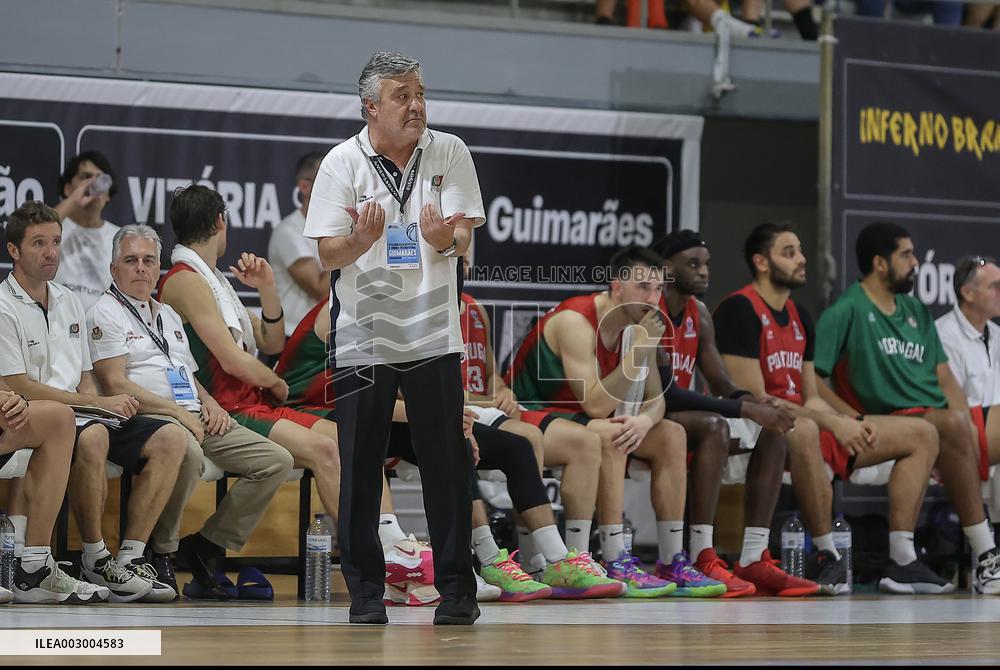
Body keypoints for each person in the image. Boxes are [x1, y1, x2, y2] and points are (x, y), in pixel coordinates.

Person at [305, 51, 484, 625]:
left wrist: (442, 239)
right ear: (371, 107)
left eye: (421, 94)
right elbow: (327, 254)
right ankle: (365, 593)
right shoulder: (341, 162)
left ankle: (457, 593)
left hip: (434, 333)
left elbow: (464, 241)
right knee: (358, 467)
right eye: (403, 96)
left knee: (447, 465)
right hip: (363, 336)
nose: (417, 106)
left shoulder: (449, 150)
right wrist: (359, 241)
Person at [716, 222, 946, 595]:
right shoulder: (739, 309)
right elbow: (757, 401)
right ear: (761, 262)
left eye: (800, 250)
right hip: (751, 426)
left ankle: (902, 561)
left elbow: (811, 395)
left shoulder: (800, 315)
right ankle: (827, 556)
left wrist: (848, 421)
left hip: (802, 421)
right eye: (789, 252)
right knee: (805, 429)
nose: (802, 259)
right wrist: (832, 423)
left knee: (924, 433)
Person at [88, 224, 296, 599]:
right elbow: (115, 384)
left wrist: (209, 402)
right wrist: (180, 413)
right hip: (147, 417)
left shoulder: (166, 314)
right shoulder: (104, 312)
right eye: (130, 260)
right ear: (113, 269)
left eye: (148, 261)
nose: (140, 268)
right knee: (188, 448)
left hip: (194, 412)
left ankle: (205, 544)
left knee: (276, 460)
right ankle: (163, 551)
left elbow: (185, 372)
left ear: (157, 269)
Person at [511, 245, 726, 598]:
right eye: (643, 287)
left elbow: (657, 400)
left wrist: (644, 421)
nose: (653, 298)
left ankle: (672, 558)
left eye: (658, 289)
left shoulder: (636, 324)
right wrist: (640, 350)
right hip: (532, 414)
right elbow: (595, 405)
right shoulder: (575, 321)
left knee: (671, 433)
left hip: (580, 420)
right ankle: (613, 557)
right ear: (616, 286)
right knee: (608, 432)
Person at [0, 201, 187, 603]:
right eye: (38, 243)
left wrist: (97, 404)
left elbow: (86, 377)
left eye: (55, 242)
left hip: (77, 410)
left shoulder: (69, 300)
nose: (51, 252)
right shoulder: (3, 304)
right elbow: (17, 384)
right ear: (14, 250)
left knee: (169, 437)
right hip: (34, 413)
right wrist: (99, 407)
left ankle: (128, 557)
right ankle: (87, 556)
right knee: (78, 428)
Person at [814, 222, 1000, 594]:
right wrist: (847, 419)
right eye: (907, 255)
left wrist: (963, 425)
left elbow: (945, 380)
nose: (916, 262)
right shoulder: (846, 310)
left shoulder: (915, 309)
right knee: (935, 428)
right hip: (879, 421)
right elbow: (814, 381)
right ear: (880, 263)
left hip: (929, 422)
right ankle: (987, 554)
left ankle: (904, 560)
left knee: (945, 425)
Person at [158, 185, 342, 538]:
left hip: (249, 401)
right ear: (220, 221)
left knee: (347, 441)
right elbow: (232, 361)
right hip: (225, 408)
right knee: (324, 449)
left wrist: (267, 287)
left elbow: (271, 341)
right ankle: (360, 558)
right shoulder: (186, 281)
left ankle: (386, 540)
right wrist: (274, 383)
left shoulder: (216, 283)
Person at [654, 229, 810, 597]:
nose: (704, 272)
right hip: (644, 413)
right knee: (715, 427)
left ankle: (754, 555)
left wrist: (758, 402)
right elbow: (669, 395)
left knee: (775, 429)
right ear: (666, 268)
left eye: (707, 264)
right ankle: (700, 553)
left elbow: (722, 382)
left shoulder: (700, 313)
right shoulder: (651, 309)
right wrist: (745, 408)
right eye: (693, 264)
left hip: (676, 415)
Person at [457, 252, 604, 571]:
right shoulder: (421, 309)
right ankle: (536, 559)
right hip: (447, 412)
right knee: (527, 438)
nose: (463, 264)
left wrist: (503, 391)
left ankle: (573, 557)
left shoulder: (474, 308)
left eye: (467, 259)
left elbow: (490, 374)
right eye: (457, 257)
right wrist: (483, 400)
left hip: (483, 409)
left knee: (584, 443)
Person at [936, 257, 1000, 484]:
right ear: (968, 293)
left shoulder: (997, 335)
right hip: (963, 433)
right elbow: (950, 405)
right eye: (995, 287)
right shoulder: (943, 337)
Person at [268, 151, 330, 337]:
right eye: (328, 179)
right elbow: (319, 289)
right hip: (293, 339)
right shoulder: (289, 231)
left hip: (324, 338)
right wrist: (354, 244)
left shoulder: (338, 230)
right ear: (305, 187)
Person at [53, 151, 121, 312]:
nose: (94, 185)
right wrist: (73, 200)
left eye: (101, 179)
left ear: (108, 193)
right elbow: (34, 230)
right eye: (85, 177)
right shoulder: (54, 227)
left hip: (104, 330)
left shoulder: (120, 238)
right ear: (68, 188)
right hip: (57, 325)